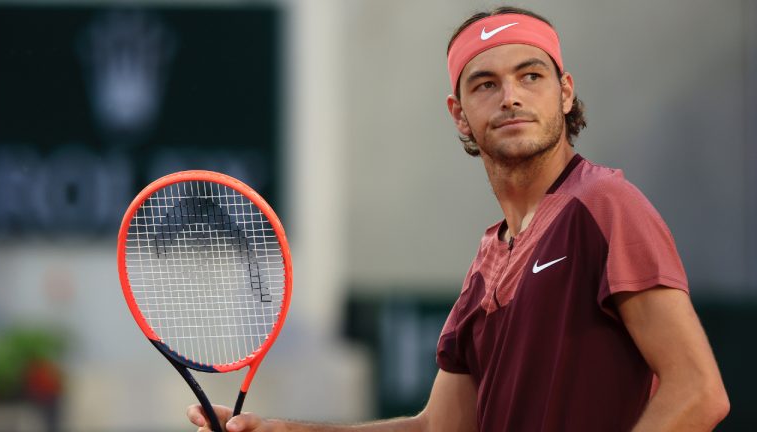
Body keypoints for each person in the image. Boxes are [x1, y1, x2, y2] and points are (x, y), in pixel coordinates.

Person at [188, 6, 729, 431]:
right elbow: (438, 429)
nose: (511, 97)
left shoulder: (607, 205)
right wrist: (283, 431)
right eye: (486, 84)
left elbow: (699, 393)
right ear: (460, 115)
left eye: (531, 76)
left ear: (565, 93)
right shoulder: (486, 264)